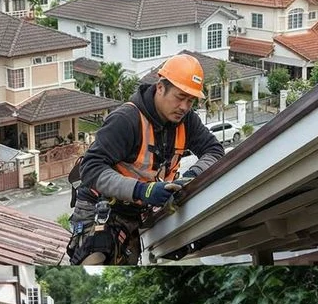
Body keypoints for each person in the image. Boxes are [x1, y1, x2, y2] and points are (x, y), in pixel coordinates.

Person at [67, 54, 225, 264]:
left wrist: (189, 177)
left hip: (136, 213)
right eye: (180, 97)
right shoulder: (126, 120)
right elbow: (91, 169)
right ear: (160, 88)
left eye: (190, 100)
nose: (185, 107)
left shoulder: (187, 121)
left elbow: (214, 151)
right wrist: (142, 191)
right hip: (102, 207)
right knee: (95, 258)